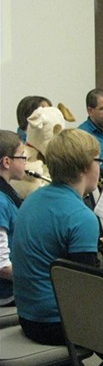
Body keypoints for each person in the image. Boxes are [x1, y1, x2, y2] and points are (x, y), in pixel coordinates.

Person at [11, 129, 103, 358]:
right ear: (86, 166)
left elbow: (53, 247)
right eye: (98, 160)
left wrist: (100, 244)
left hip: (29, 316)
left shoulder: (34, 198)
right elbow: (90, 296)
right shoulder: (80, 215)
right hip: (56, 322)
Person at [0, 131, 26, 307]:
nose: (26, 163)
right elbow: (2, 265)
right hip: (7, 294)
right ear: (7, 162)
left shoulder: (8, 191)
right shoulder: (1, 200)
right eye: (22, 158)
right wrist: (36, 280)